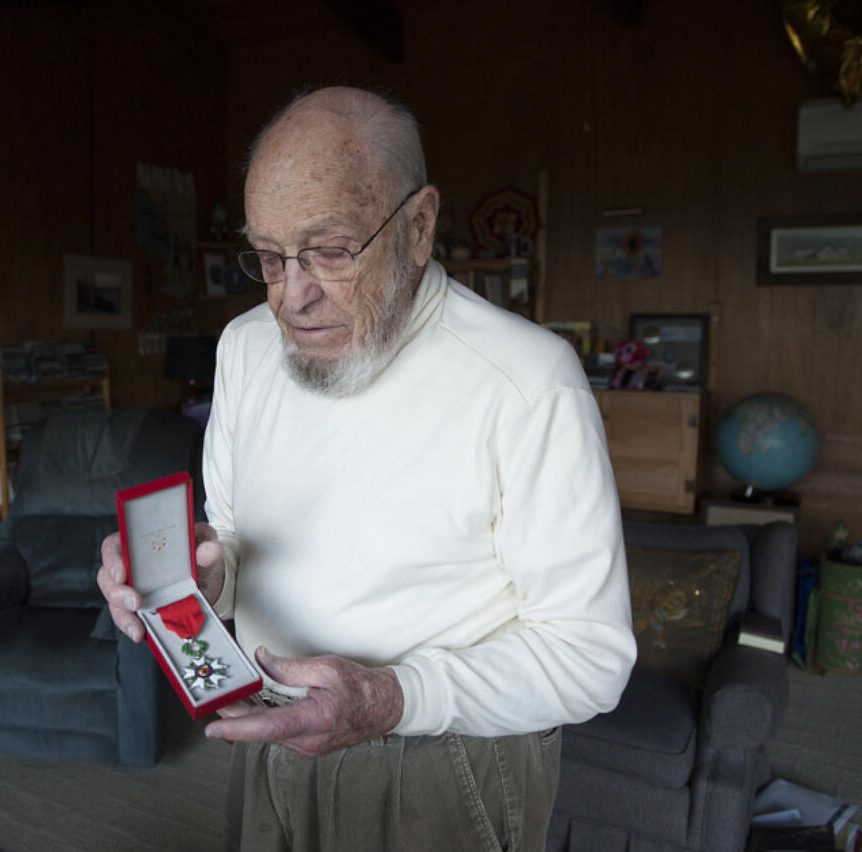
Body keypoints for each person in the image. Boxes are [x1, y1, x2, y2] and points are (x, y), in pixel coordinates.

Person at [98, 86, 636, 851]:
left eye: (330, 250)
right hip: (273, 731)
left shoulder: (527, 382)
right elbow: (237, 544)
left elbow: (590, 660)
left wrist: (390, 698)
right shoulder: (246, 349)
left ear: (419, 226)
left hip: (441, 765)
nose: (293, 296)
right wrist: (188, 574)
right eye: (268, 256)